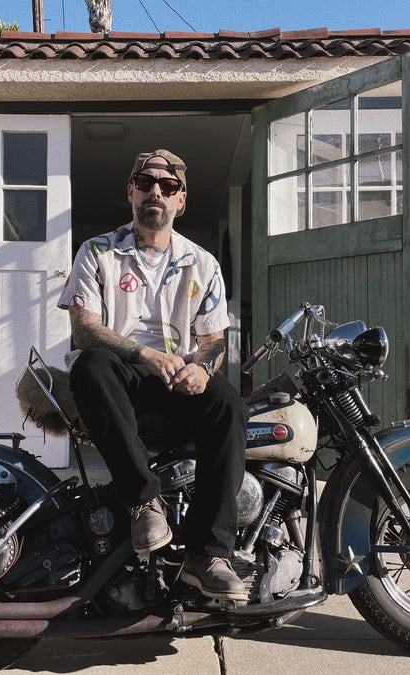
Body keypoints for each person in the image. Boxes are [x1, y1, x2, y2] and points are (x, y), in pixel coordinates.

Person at [57, 149, 247, 601]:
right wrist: (143, 354)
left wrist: (201, 369)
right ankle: (144, 502)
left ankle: (208, 556)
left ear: (182, 200)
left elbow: (215, 340)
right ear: (131, 191)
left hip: (177, 387)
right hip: (117, 382)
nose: (155, 192)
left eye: (168, 186)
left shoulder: (203, 263)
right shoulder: (97, 252)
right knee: (91, 364)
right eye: (145, 182)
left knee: (228, 403)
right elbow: (85, 330)